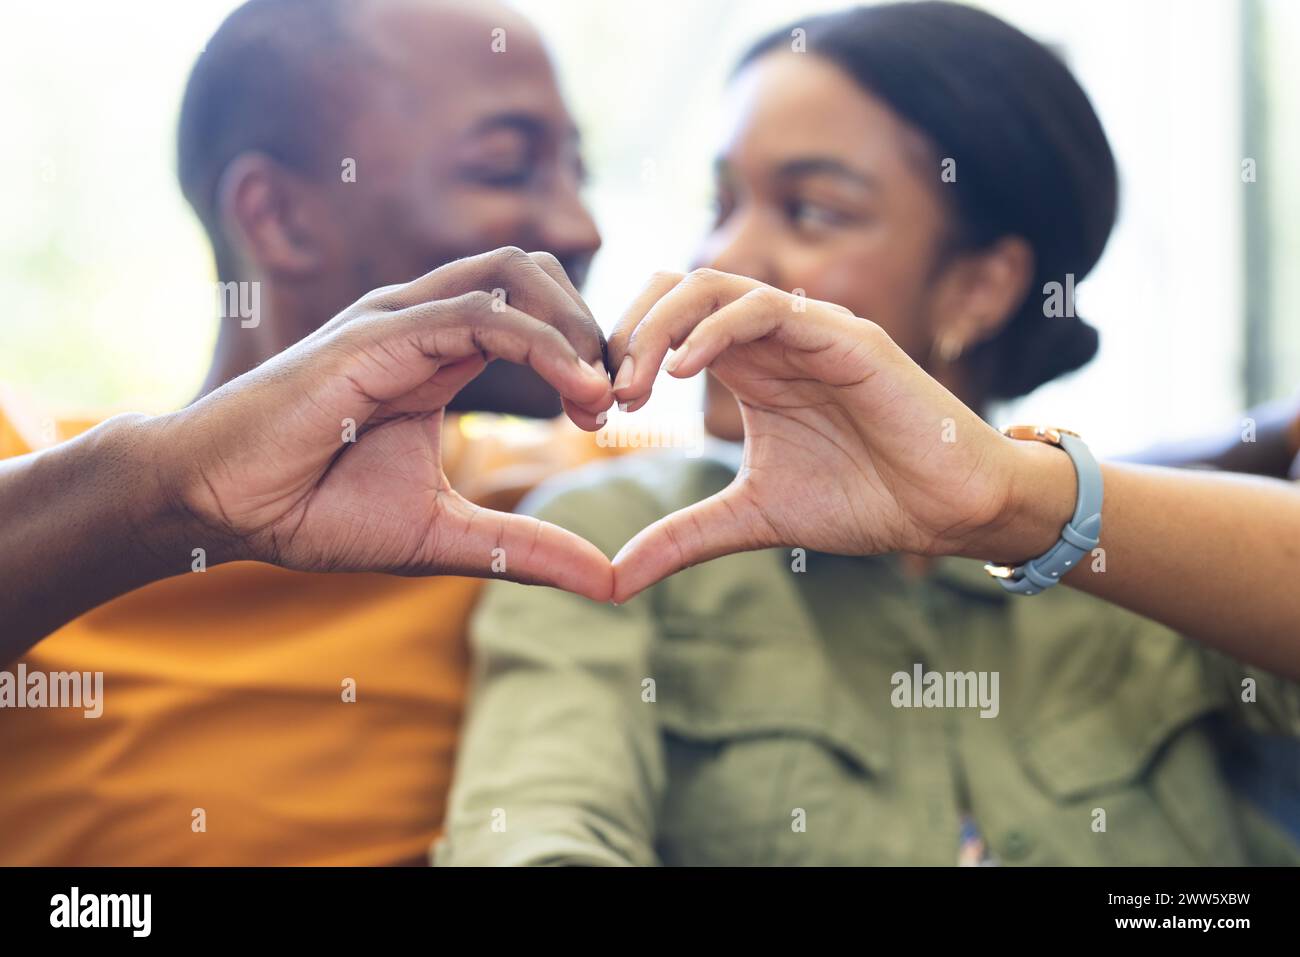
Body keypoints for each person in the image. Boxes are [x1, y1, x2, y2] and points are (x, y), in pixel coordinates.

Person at [437, 2, 1300, 867]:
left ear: (980, 289)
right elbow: (537, 837)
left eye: (811, 211)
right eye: (722, 201)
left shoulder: (1150, 579)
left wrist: (1010, 500)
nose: (721, 256)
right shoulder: (612, 535)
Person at [0, 0, 612, 866]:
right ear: (280, 218)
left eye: (580, 171)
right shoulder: (33, 473)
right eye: (508, 168)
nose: (582, 228)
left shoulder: (584, 501)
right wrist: (170, 494)